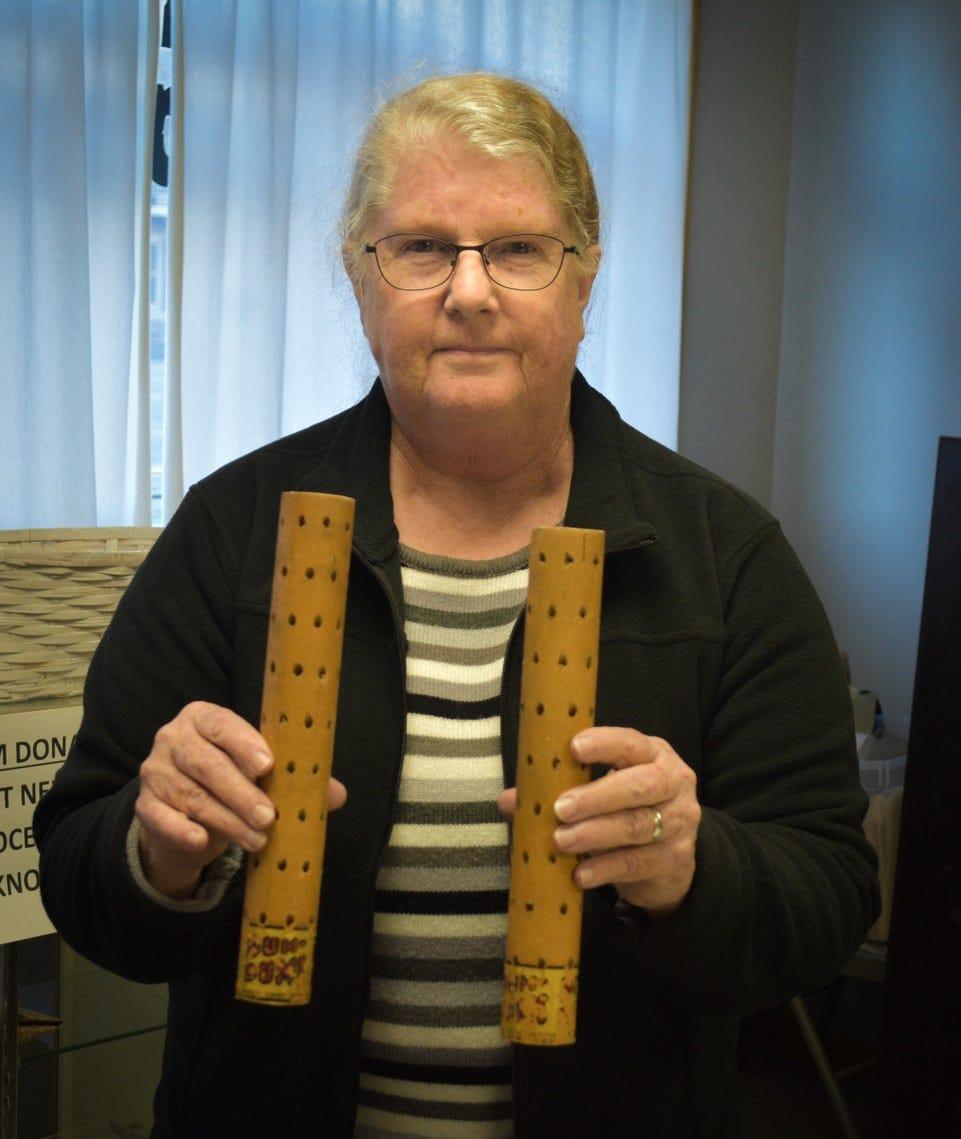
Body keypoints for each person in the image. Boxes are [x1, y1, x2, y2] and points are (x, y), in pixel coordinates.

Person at [34, 73, 878, 1138]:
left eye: (518, 249)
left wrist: (688, 865)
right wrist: (157, 851)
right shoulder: (234, 528)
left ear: (584, 282)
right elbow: (79, 870)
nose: (469, 291)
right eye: (422, 247)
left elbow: (829, 898)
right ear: (360, 277)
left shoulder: (724, 553)